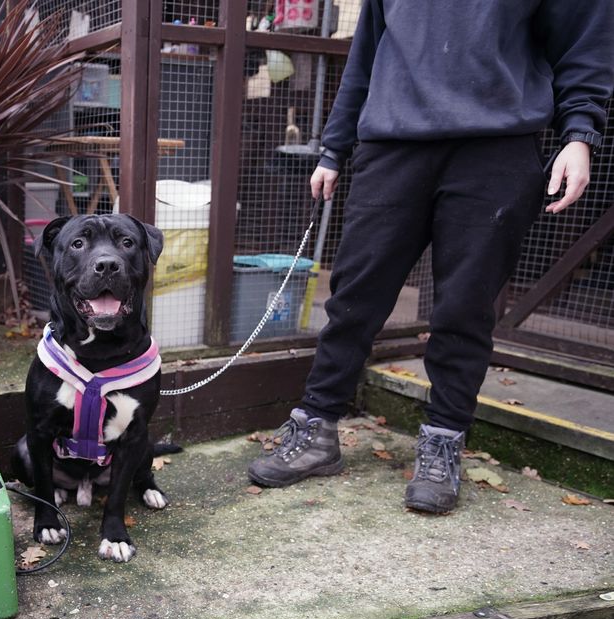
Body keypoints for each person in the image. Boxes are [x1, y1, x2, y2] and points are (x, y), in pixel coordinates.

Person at [248, 0, 614, 513]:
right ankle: (316, 428)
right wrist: (334, 147)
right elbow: (367, 53)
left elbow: (584, 41)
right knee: (354, 296)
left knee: (465, 307)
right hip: (393, 144)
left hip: (498, 148)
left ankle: (442, 441)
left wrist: (580, 133)